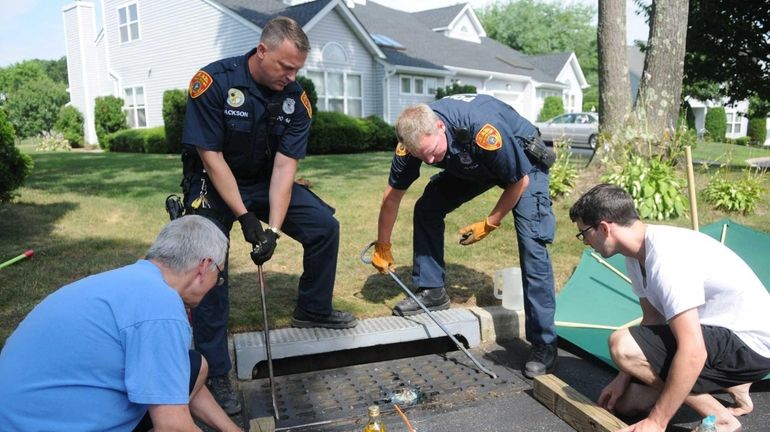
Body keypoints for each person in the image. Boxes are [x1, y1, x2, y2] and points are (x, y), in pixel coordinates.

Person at [181, 16, 358, 414]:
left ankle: (312, 309)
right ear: (262, 51)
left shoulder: (296, 99)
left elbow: (284, 169)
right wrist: (245, 218)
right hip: (212, 181)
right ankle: (215, 371)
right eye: (286, 67)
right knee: (209, 264)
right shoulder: (213, 83)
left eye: (298, 69)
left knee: (324, 226)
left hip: (264, 179)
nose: (292, 76)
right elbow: (211, 158)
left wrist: (273, 230)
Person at [371, 94, 558, 378]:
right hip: (470, 159)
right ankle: (432, 290)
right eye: (424, 157)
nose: (431, 160)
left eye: (433, 152)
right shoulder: (413, 143)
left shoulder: (484, 129)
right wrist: (383, 244)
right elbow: (392, 196)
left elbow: (518, 181)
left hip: (522, 159)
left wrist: (489, 223)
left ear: (440, 128)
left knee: (532, 241)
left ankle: (544, 343)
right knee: (427, 208)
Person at [0, 216, 242, 432]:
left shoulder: (131, 281)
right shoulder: (160, 306)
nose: (216, 283)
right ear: (204, 266)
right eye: (218, 275)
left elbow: (173, 383)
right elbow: (173, 427)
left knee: (193, 365)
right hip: (45, 423)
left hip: (23, 416)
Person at [569, 184, 770, 432]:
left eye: (584, 233)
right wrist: (623, 377)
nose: (585, 242)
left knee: (621, 345)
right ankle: (735, 387)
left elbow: (694, 351)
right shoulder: (635, 254)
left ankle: (720, 417)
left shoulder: (667, 258)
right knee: (627, 402)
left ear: (604, 228)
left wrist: (656, 422)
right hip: (724, 335)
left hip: (749, 345)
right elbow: (652, 319)